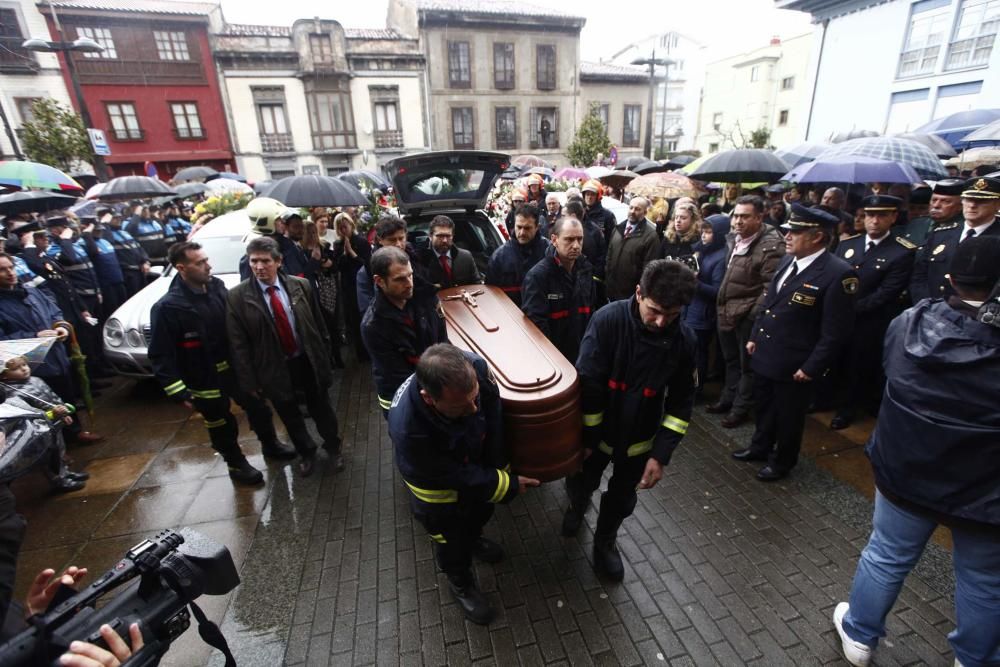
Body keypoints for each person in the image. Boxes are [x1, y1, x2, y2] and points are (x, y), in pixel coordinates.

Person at [832, 236, 1000, 667]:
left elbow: (894, 371)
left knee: (886, 554)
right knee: (983, 579)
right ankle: (974, 657)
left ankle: (860, 635)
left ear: (948, 279)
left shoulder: (909, 323)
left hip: (906, 469)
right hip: (984, 490)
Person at [562, 260, 697, 580]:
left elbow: (681, 402)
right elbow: (588, 384)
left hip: (639, 441)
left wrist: (661, 455)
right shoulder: (607, 322)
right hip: (596, 437)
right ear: (638, 293)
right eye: (655, 310)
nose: (662, 322)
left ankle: (605, 542)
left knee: (622, 498)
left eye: (673, 314)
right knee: (582, 481)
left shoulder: (685, 341)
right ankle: (576, 508)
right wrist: (585, 440)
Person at [388, 344, 540, 624]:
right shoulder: (409, 430)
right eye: (461, 406)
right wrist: (507, 485)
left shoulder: (476, 371)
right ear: (429, 399)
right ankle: (460, 582)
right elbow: (457, 476)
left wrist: (499, 465)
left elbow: (493, 417)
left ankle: (474, 539)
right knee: (451, 537)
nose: (473, 408)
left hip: (470, 467)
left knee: (478, 513)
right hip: (438, 495)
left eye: (474, 398)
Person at [149, 241, 295, 486]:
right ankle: (236, 464)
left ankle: (271, 445)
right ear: (181, 268)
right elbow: (161, 354)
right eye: (200, 263)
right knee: (220, 422)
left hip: (235, 368)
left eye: (206, 260)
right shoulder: (167, 308)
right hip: (203, 378)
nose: (209, 266)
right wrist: (177, 391)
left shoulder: (217, 289)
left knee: (258, 406)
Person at [733, 205, 857, 481]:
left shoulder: (839, 274)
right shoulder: (789, 261)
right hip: (767, 352)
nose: (787, 236)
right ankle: (760, 447)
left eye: (796, 232)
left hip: (796, 363)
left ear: (818, 237)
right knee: (764, 407)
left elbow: (835, 332)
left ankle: (782, 462)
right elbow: (769, 304)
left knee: (789, 417)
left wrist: (812, 367)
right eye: (788, 230)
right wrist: (755, 337)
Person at [227, 237, 344, 478]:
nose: (259, 267)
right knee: (289, 413)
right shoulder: (238, 297)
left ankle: (333, 448)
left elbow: (318, 324)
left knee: (321, 407)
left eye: (265, 261)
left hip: (307, 360)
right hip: (273, 367)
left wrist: (326, 356)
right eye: (254, 261)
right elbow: (238, 344)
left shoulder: (300, 286)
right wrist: (250, 381)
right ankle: (306, 452)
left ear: (279, 262)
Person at [830, 195, 915, 429]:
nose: (874, 221)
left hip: (869, 321)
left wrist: (850, 309)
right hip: (839, 318)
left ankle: (848, 408)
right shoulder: (848, 244)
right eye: (870, 215)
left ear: (893, 217)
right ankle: (827, 399)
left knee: (858, 365)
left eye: (881, 215)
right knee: (834, 360)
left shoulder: (901, 251)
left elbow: (887, 292)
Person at [0, 253, 102, 444]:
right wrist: (33, 337)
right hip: (28, 369)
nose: (9, 273)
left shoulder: (30, 291)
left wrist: (60, 326)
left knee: (64, 397)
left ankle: (75, 432)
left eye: (11, 267)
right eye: (2, 270)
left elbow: (54, 310)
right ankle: (56, 447)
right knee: (43, 409)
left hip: (56, 356)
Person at [709, 195, 785, 429]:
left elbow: (770, 287)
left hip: (746, 318)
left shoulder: (772, 245)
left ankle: (740, 409)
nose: (738, 221)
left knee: (746, 367)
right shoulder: (734, 238)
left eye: (745, 216)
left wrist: (752, 315)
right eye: (736, 216)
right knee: (731, 361)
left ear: (759, 217)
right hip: (726, 311)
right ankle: (727, 399)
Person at [361, 246, 448, 415]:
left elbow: (442, 340)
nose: (409, 284)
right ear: (379, 281)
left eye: (410, 275)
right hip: (402, 397)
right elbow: (399, 376)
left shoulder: (427, 297)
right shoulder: (373, 326)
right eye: (400, 279)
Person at [1, 356, 90, 493]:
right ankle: (58, 480)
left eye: (24, 364)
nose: (24, 369)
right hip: (42, 427)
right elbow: (30, 413)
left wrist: (63, 411)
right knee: (49, 455)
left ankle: (64, 472)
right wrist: (51, 414)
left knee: (60, 449)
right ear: (4, 375)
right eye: (16, 369)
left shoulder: (36, 380)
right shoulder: (11, 393)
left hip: (56, 421)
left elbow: (52, 397)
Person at [910, 176, 1000, 303]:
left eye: (981, 201)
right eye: (968, 199)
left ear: (997, 204)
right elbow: (919, 276)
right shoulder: (941, 234)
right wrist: (927, 306)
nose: (972, 205)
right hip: (933, 310)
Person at [521, 216, 594, 362]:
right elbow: (537, 327)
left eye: (580, 239)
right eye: (569, 239)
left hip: (582, 355)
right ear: (554, 240)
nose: (576, 245)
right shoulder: (538, 277)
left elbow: (591, 314)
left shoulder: (586, 270)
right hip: (553, 360)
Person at [683, 214, 730, 396]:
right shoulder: (702, 251)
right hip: (691, 309)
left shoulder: (720, 258)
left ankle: (697, 388)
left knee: (698, 354)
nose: (704, 235)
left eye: (709, 232)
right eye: (703, 231)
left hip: (703, 314)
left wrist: (694, 281)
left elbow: (718, 292)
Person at [356, 215, 425, 314]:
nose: (398, 244)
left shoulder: (414, 257)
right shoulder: (366, 271)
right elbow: (367, 310)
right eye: (392, 240)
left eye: (401, 238)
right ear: (380, 240)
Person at [485, 204, 548, 307]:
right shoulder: (499, 257)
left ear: (537, 227)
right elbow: (491, 295)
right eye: (519, 227)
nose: (522, 232)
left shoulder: (549, 252)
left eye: (527, 228)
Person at [332, 212, 372, 360]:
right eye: (340, 228)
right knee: (353, 320)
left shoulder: (361, 242)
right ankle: (361, 352)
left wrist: (352, 253)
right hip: (348, 288)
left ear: (351, 226)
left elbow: (367, 265)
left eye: (345, 227)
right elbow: (337, 267)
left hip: (362, 285)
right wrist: (343, 254)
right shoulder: (337, 245)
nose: (343, 230)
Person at [605, 197, 660, 302]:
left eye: (637, 209)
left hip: (631, 294)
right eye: (631, 208)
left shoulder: (651, 236)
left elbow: (649, 268)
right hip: (612, 289)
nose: (633, 211)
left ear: (645, 212)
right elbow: (609, 255)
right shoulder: (617, 229)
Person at [80, 218, 127, 322]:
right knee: (112, 313)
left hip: (118, 281)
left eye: (100, 230)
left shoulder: (105, 241)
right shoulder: (84, 243)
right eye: (96, 230)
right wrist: (87, 234)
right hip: (105, 285)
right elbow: (94, 252)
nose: (100, 232)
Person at [564, 199, 607, 305]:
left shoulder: (591, 233)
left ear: (573, 216)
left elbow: (599, 257)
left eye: (564, 215)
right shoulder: (594, 230)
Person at [898, 178, 964, 248]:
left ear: (961, 206)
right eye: (934, 200)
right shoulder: (917, 224)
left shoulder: (964, 229)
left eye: (945, 201)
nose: (936, 205)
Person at [420, 215, 481, 288]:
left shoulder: (466, 257)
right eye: (440, 236)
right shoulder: (420, 260)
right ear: (430, 236)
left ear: (453, 236)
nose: (445, 240)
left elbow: (477, 286)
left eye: (448, 236)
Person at [102, 208, 150, 298]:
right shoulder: (107, 234)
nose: (118, 220)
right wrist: (104, 224)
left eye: (119, 217)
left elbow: (138, 247)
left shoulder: (124, 232)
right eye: (115, 218)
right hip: (127, 273)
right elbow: (108, 241)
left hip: (139, 270)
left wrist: (145, 261)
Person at [660, 201, 701, 270]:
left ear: (693, 220)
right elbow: (659, 260)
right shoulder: (668, 236)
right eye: (676, 217)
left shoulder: (697, 240)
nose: (678, 221)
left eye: (683, 218)